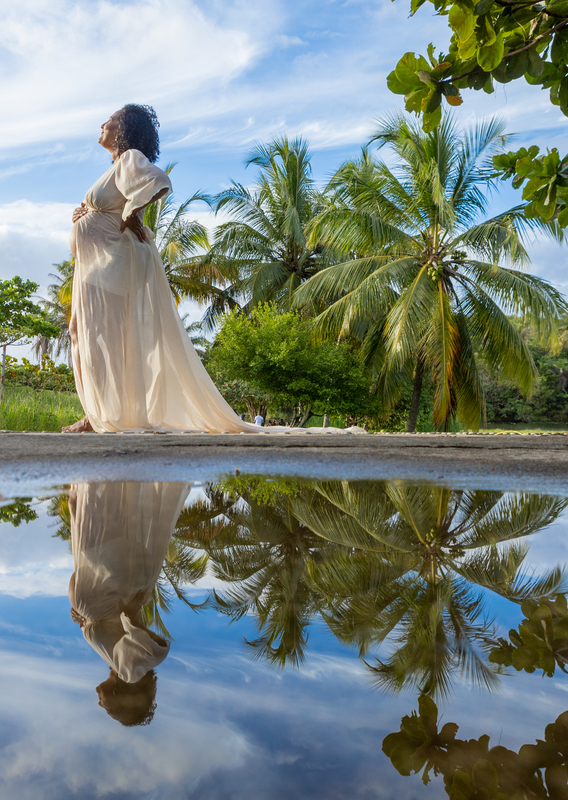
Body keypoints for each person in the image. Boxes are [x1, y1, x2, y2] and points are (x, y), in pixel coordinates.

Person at [61, 104, 362, 435]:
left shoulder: (131, 157)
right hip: (98, 263)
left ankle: (101, 416)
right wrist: (87, 212)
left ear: (124, 129)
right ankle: (98, 412)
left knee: (103, 337)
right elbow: (112, 203)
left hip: (114, 263)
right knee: (82, 332)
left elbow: (159, 181)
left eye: (111, 119)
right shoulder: (118, 167)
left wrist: (132, 213)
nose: (103, 123)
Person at [67, 480, 189, 725]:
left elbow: (115, 629)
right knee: (100, 497)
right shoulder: (132, 673)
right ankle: (108, 451)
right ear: (123, 700)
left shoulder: (117, 663)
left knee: (93, 501)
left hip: (107, 574)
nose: (100, 704)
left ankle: (110, 454)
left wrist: (81, 617)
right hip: (110, 571)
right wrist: (128, 613)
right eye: (108, 710)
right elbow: (152, 649)